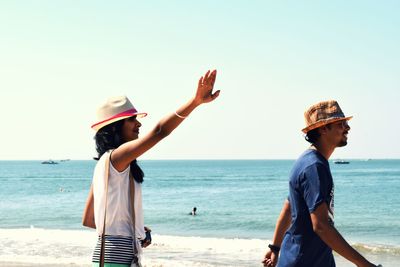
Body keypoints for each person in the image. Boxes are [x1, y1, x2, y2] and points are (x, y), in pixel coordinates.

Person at [89, 70, 220, 267]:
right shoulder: (117, 158)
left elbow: (89, 219)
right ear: (115, 127)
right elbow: (160, 131)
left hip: (107, 255)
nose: (139, 124)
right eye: (132, 119)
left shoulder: (103, 166)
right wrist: (194, 103)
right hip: (118, 258)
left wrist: (135, 229)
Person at [262, 100, 380, 267]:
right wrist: (365, 265)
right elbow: (322, 226)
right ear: (324, 128)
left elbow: (288, 208)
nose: (347, 127)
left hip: (305, 258)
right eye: (341, 123)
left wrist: (274, 247)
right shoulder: (314, 167)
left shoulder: (306, 161)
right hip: (306, 261)